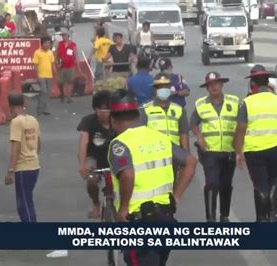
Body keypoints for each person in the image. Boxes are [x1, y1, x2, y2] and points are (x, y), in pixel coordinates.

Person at [107, 89, 196, 265]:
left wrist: (123, 208)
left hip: (138, 220)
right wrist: (176, 196)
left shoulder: (120, 143)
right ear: (138, 115)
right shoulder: (159, 138)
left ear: (113, 119)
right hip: (165, 217)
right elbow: (190, 162)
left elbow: (127, 174)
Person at [233, 65, 277, 223]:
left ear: (253, 84)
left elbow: (241, 129)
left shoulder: (247, 103)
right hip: (274, 148)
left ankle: (261, 218)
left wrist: (238, 152)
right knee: (272, 180)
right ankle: (272, 216)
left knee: (259, 184)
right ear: (268, 83)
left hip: (254, 150)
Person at [191, 72, 239, 222]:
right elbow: (193, 123)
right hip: (209, 151)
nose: (214, 87)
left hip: (229, 150)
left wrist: (239, 148)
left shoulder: (235, 102)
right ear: (207, 88)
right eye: (211, 85)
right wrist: (199, 138)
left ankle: (224, 216)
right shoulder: (201, 104)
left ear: (222, 85)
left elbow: (242, 124)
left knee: (226, 185)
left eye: (217, 84)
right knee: (212, 183)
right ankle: (210, 218)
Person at [5, 92, 41, 222]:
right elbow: (39, 143)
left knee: (24, 204)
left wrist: (11, 170)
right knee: (27, 200)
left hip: (23, 168)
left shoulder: (16, 122)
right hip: (34, 166)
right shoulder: (33, 120)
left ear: (10, 107)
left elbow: (16, 146)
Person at [77, 91, 113, 218]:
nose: (106, 113)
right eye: (103, 110)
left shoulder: (118, 120)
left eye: (109, 109)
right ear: (96, 110)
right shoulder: (88, 121)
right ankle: (95, 202)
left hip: (114, 156)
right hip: (94, 157)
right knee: (92, 181)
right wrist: (82, 165)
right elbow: (83, 142)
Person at [140, 73, 189, 150]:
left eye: (166, 86)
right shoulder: (145, 109)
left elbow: (183, 133)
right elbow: (140, 135)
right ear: (154, 89)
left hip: (176, 153)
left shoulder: (179, 110)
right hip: (154, 153)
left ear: (170, 88)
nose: (163, 89)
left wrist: (186, 153)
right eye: (160, 87)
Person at [33, 36, 55, 116]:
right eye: (46, 43)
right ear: (42, 43)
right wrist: (37, 75)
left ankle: (45, 109)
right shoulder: (37, 52)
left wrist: (55, 72)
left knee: (48, 93)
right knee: (43, 92)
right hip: (41, 76)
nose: (48, 45)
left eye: (49, 43)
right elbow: (35, 64)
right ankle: (39, 109)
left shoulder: (50, 52)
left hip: (49, 75)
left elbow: (52, 63)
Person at [56, 29, 80, 103]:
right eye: (62, 36)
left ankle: (68, 97)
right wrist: (57, 62)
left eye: (65, 35)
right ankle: (62, 94)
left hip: (70, 66)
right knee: (60, 82)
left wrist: (78, 65)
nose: (63, 37)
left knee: (70, 82)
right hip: (61, 66)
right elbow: (55, 54)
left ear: (68, 36)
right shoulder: (59, 44)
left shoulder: (73, 45)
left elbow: (76, 55)